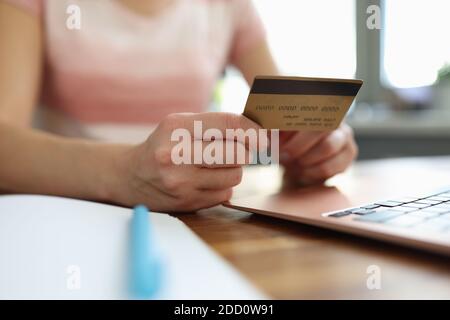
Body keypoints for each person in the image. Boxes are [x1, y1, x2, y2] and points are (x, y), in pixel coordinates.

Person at [0, 0, 358, 212]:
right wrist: (125, 173)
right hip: (64, 213)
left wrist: (314, 149)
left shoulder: (226, 6)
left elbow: (286, 124)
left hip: (193, 219)